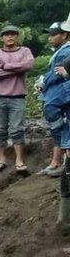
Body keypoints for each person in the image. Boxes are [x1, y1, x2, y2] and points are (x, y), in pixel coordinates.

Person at [0, 25, 35, 174]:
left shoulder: (25, 51)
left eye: (13, 34)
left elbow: (28, 65)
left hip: (17, 97)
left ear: (17, 37)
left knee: (17, 129)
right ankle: (1, 159)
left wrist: (6, 66)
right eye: (7, 35)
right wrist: (16, 70)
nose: (10, 37)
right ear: (2, 38)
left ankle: (19, 160)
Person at [40, 20, 70, 178]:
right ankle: (58, 161)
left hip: (63, 90)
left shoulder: (66, 51)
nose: (50, 38)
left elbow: (58, 72)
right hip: (60, 91)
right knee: (60, 126)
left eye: (54, 34)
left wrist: (43, 82)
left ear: (64, 35)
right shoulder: (60, 50)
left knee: (59, 123)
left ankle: (62, 163)